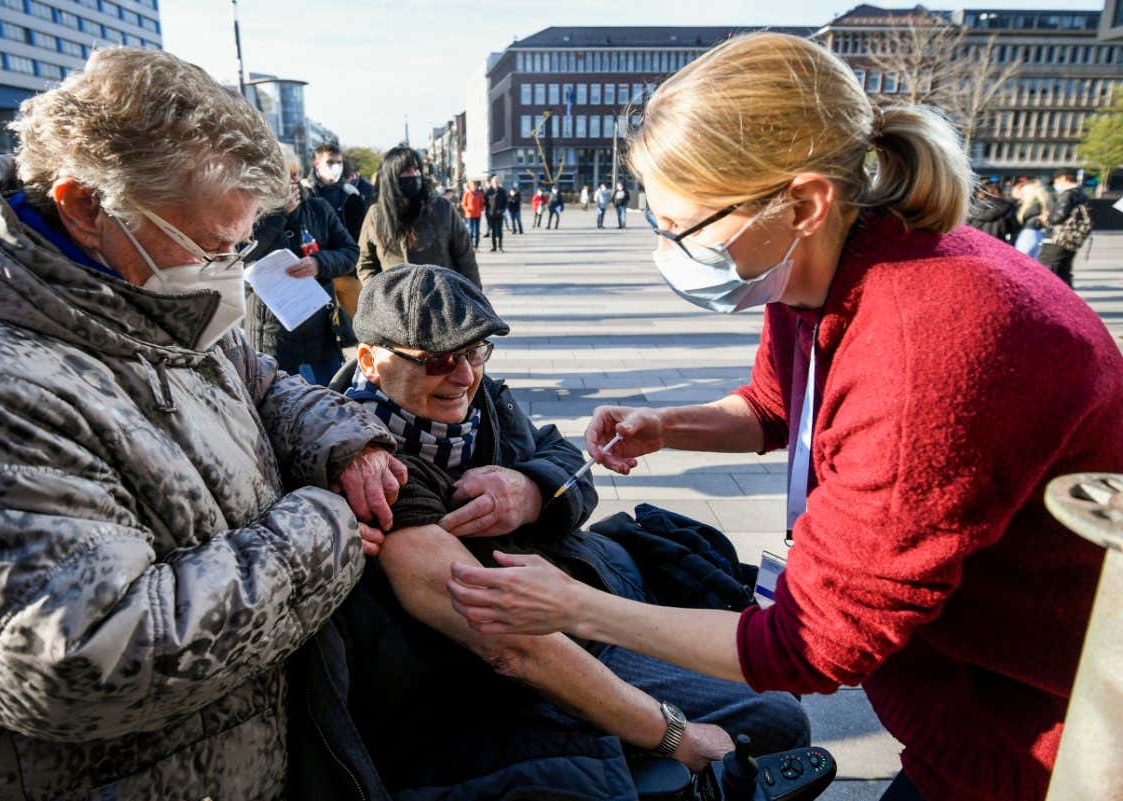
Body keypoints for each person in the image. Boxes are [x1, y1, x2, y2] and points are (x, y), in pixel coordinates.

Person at [446, 32, 1123, 801]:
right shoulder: (829, 265)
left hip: (1049, 738)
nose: (672, 250)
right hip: (972, 702)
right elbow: (776, 406)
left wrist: (574, 607)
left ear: (803, 201)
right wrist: (671, 424)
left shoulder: (922, 345)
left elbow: (811, 645)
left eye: (688, 228)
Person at [0, 47, 407, 801]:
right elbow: (78, 658)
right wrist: (325, 527)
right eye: (214, 244)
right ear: (86, 205)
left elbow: (258, 379)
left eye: (241, 243)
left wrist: (343, 442)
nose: (229, 265)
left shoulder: (142, 288)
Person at [308, 265, 809, 798]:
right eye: (437, 360)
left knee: (776, 674)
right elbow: (510, 644)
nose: (463, 377)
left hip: (596, 590)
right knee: (776, 720)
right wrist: (675, 737)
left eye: (476, 352)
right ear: (369, 360)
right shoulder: (371, 463)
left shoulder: (481, 404)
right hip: (537, 662)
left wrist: (531, 490)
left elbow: (567, 461)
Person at [244, 143, 358, 384]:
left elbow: (350, 252)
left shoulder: (318, 208)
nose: (293, 180)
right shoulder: (247, 216)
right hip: (274, 339)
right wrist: (278, 215)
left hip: (321, 335)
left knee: (332, 404)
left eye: (296, 173)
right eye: (286, 174)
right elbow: (243, 256)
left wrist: (320, 263)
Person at [356, 146, 480, 288]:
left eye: (416, 169)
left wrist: (473, 298)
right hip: (394, 305)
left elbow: (465, 257)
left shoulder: (442, 208)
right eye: (407, 171)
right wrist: (379, 294)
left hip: (442, 300)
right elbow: (365, 262)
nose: (414, 174)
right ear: (392, 176)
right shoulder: (376, 215)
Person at [302, 142, 368, 243]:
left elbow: (360, 231)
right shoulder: (304, 191)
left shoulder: (351, 193)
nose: (336, 167)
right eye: (330, 162)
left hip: (346, 254)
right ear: (317, 165)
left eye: (339, 162)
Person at [1037, 169, 1093, 287]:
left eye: (1056, 181)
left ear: (1063, 178)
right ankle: (1068, 302)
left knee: (1045, 271)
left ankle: (1050, 301)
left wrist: (1047, 218)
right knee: (1064, 273)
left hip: (1058, 239)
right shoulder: (1082, 194)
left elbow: (1058, 217)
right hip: (1072, 240)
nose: (1055, 185)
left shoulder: (1069, 194)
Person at [1013, 178, 1051, 259]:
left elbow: (1021, 218)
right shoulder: (1040, 204)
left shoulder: (1033, 206)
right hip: (1035, 233)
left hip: (1029, 232)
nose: (1022, 195)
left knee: (1020, 258)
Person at [484, 175, 508, 252]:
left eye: (497, 182)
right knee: (493, 231)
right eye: (494, 182)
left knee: (500, 231)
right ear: (492, 183)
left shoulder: (502, 191)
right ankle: (494, 247)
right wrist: (488, 213)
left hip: (500, 214)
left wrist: (502, 210)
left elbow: (506, 203)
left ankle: (500, 247)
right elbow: (485, 203)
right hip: (491, 214)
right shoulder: (488, 192)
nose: (496, 183)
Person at [461, 178, 484, 250]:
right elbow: (463, 204)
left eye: (475, 186)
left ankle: (476, 246)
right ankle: (470, 246)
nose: (474, 187)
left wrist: (480, 209)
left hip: (477, 215)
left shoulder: (479, 194)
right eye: (473, 186)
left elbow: (482, 203)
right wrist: (468, 209)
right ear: (470, 186)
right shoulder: (467, 194)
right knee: (470, 231)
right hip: (469, 215)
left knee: (477, 231)